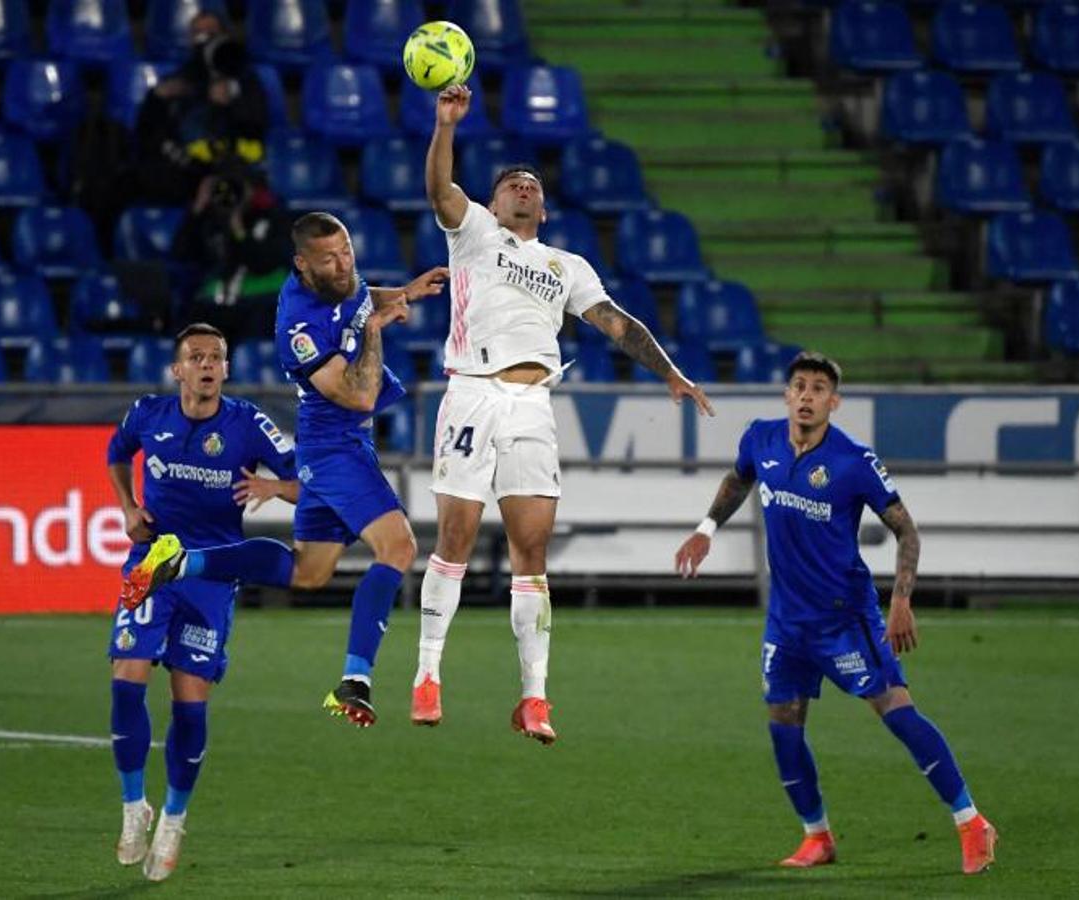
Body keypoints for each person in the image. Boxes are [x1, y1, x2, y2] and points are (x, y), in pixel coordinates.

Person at [409, 83, 715, 744]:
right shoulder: (472, 233)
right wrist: (445, 125)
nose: (523, 188)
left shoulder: (566, 265)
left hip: (532, 405)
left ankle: (534, 698)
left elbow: (615, 322)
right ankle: (427, 675)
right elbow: (438, 188)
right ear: (490, 202)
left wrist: (669, 372)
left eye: (532, 186)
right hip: (471, 391)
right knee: (455, 538)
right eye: (511, 184)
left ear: (543, 210)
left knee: (532, 550)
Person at [672, 351, 997, 875]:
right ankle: (817, 837)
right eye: (799, 386)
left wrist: (901, 600)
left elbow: (906, 530)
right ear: (786, 395)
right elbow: (738, 480)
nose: (806, 396)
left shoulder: (853, 462)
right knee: (783, 723)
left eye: (818, 389)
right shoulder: (761, 438)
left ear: (834, 402)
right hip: (787, 620)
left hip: (846, 618)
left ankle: (971, 822)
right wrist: (706, 530)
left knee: (896, 711)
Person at [120, 212, 449, 728]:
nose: (344, 266)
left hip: (338, 445)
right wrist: (377, 330)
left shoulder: (337, 279)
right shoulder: (296, 325)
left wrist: (404, 291)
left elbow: (358, 300)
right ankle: (355, 680)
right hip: (333, 448)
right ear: (301, 265)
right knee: (400, 546)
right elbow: (359, 393)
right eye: (330, 260)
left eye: (347, 254)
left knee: (308, 572)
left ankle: (183, 562)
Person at [106, 323, 300, 882]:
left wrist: (274, 489)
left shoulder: (248, 424)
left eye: (217, 356)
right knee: (126, 674)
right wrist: (128, 505)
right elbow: (117, 452)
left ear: (226, 369)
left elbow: (307, 479)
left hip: (212, 576)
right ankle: (131, 807)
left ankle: (173, 817)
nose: (208, 364)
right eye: (197, 356)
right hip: (152, 563)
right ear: (178, 370)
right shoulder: (148, 414)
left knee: (189, 701)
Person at [131, 10, 267, 207]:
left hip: (231, 164)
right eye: (198, 33)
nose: (205, 39)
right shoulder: (182, 78)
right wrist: (157, 98)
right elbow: (148, 132)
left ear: (224, 35)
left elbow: (256, 127)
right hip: (185, 170)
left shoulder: (245, 77)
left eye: (211, 32)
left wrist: (230, 105)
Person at [172, 161, 293, 339]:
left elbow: (262, 263)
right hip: (215, 304)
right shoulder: (210, 220)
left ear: (251, 189)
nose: (230, 194)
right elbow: (181, 254)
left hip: (260, 303)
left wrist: (239, 229)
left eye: (237, 187)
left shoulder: (273, 218)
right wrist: (197, 210)